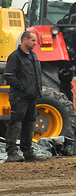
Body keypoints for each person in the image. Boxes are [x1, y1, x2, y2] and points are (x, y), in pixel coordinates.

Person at [4, 31, 45, 162]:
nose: (35, 43)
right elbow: (9, 75)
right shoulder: (15, 57)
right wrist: (22, 88)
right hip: (19, 97)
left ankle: (28, 152)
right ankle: (12, 153)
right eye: (33, 40)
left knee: (30, 124)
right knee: (16, 123)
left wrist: (35, 91)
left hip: (32, 97)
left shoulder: (33, 56)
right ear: (25, 40)